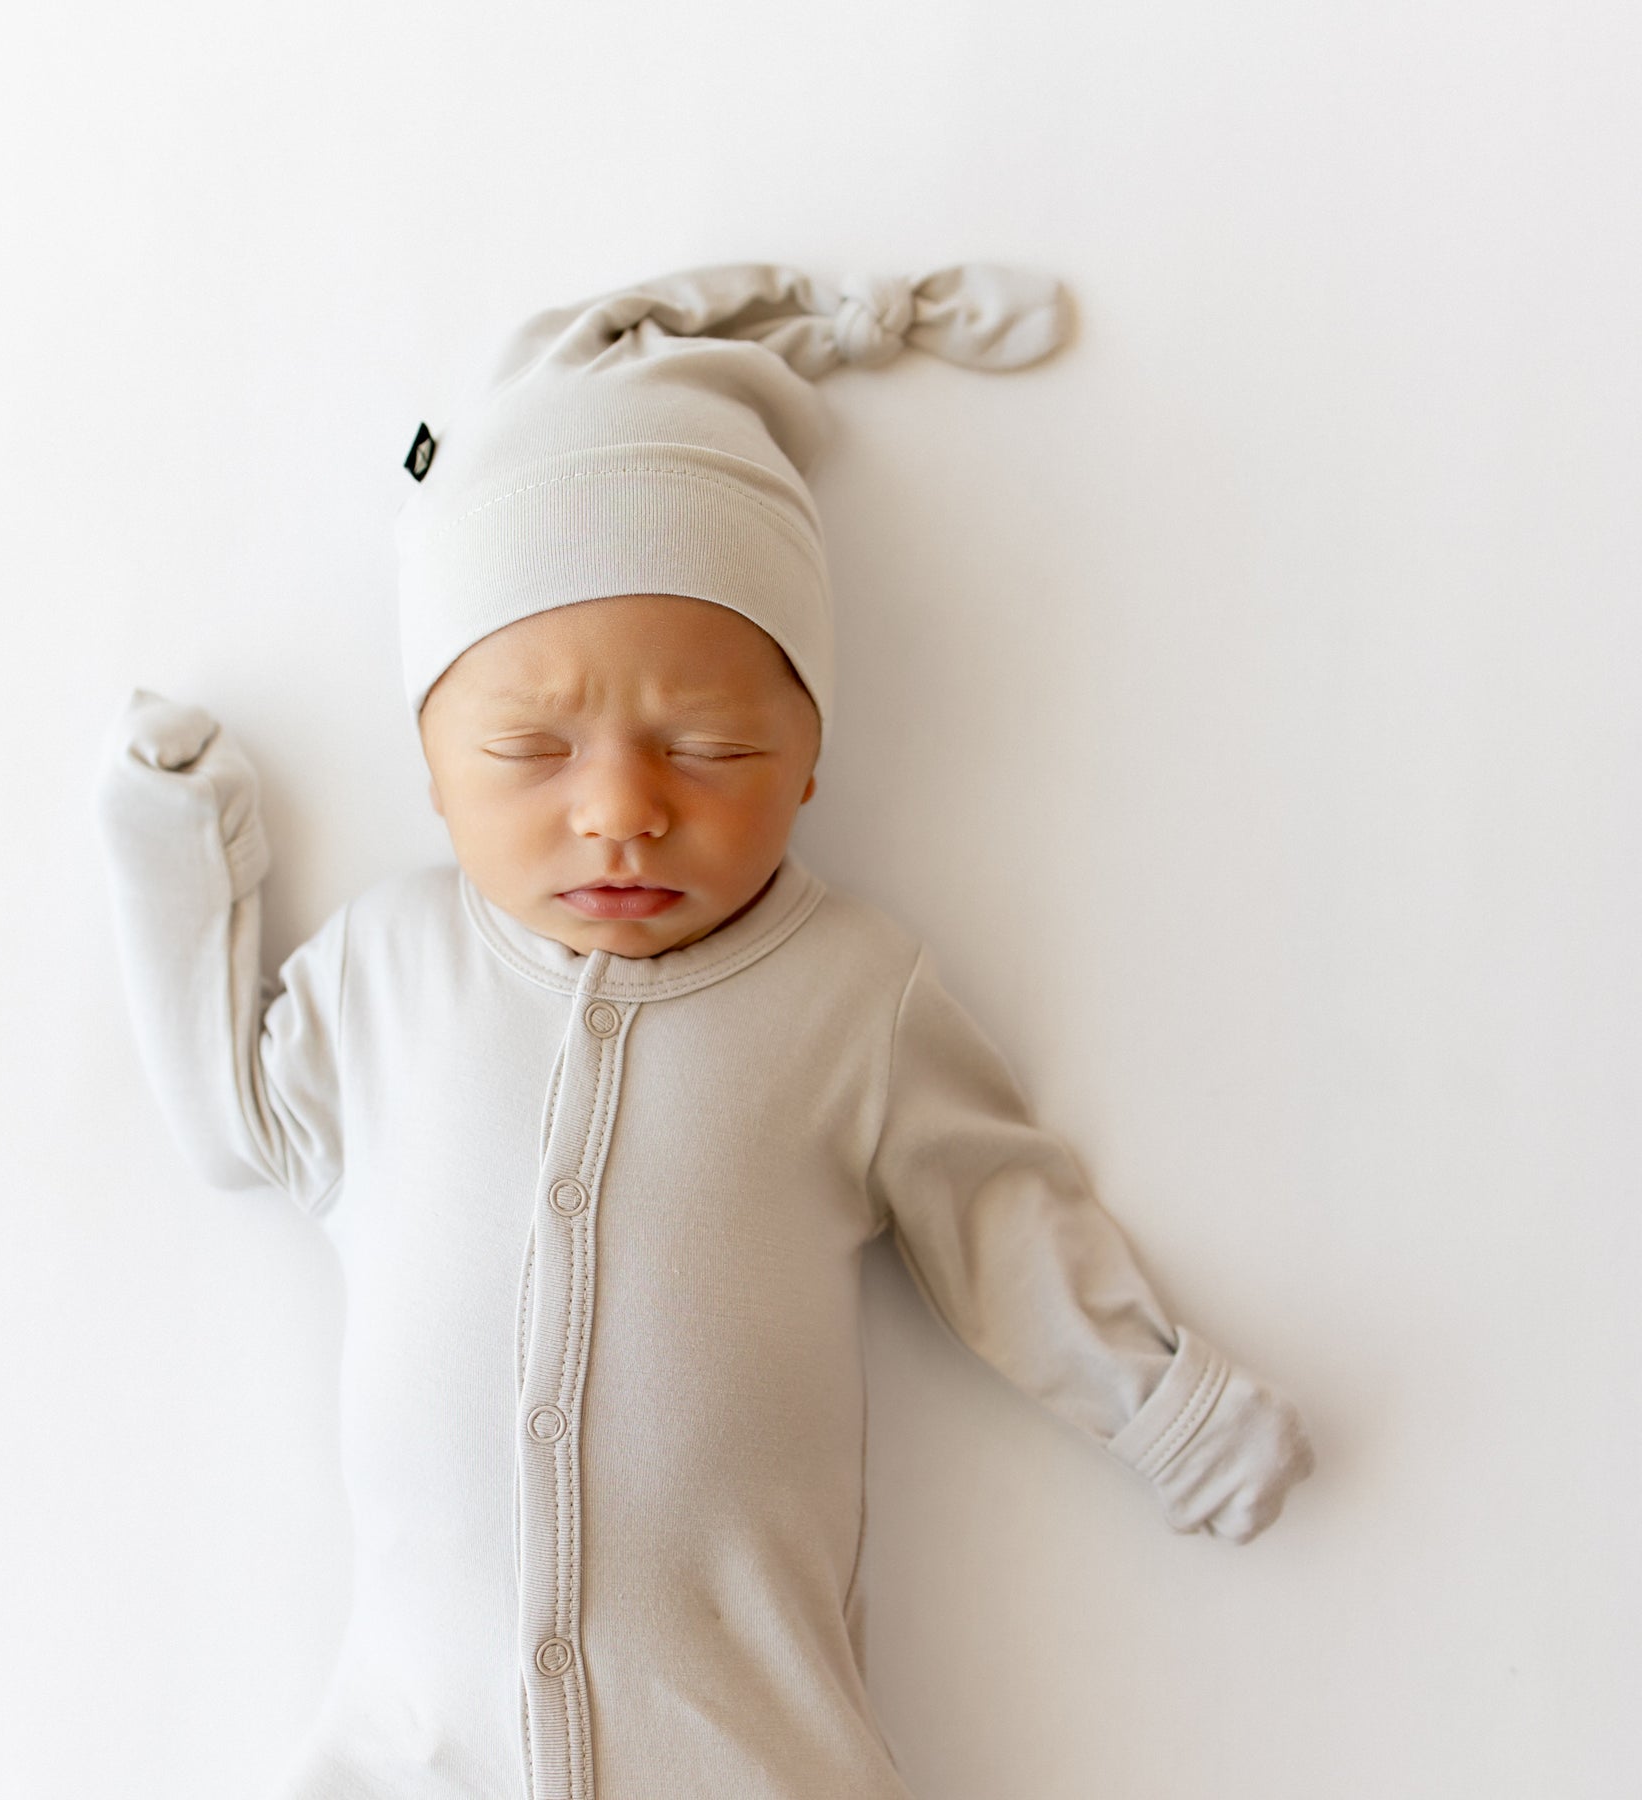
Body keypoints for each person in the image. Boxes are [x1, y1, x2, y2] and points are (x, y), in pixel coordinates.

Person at [92, 262, 1314, 1800]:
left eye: (713, 743)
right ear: (428, 763)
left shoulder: (848, 994)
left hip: (752, 1753)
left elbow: (1000, 1215)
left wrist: (1174, 1414)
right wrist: (176, 849)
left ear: (809, 761)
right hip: (412, 1751)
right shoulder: (389, 971)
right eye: (531, 748)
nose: (620, 808)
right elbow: (234, 1127)